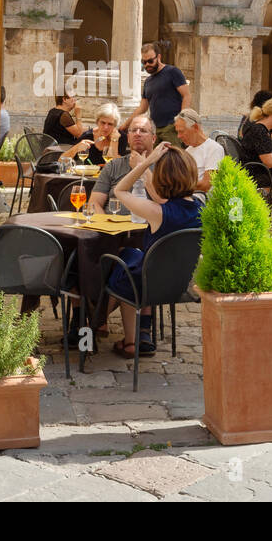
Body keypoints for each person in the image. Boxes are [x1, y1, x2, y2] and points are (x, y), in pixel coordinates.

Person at [104, 144, 204, 358]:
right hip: (178, 284)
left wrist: (146, 163)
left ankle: (106, 327)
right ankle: (121, 330)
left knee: (120, 262)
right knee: (131, 255)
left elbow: (119, 190)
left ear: (162, 178)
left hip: (146, 285)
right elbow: (162, 198)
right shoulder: (200, 208)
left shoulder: (157, 212)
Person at [123, 42, 192, 148]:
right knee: (155, 162)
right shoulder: (148, 81)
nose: (147, 65)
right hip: (155, 129)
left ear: (159, 57)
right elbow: (142, 108)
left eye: (150, 61)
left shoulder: (172, 72)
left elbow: (187, 95)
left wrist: (181, 120)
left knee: (174, 160)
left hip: (172, 128)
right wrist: (125, 125)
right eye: (144, 62)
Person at [89, 115, 157, 215]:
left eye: (143, 130)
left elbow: (166, 203)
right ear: (128, 138)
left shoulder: (166, 165)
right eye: (133, 130)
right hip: (111, 225)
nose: (137, 134)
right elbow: (95, 203)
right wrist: (105, 225)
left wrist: (141, 168)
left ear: (153, 139)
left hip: (148, 227)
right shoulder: (113, 166)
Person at [172, 108, 224, 192]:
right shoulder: (187, 151)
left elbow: (206, 185)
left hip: (201, 200)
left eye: (181, 131)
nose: (178, 136)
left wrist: (176, 186)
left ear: (195, 127)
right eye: (177, 132)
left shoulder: (214, 149)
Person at [61, 102, 126, 167]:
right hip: (89, 175)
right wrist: (76, 148)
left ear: (115, 125)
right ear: (97, 122)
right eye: (103, 123)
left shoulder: (120, 137)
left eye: (110, 124)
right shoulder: (88, 136)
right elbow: (61, 161)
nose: (106, 127)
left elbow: (116, 167)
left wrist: (114, 141)